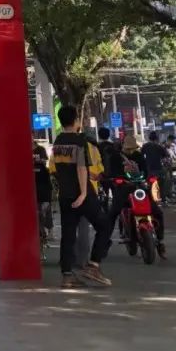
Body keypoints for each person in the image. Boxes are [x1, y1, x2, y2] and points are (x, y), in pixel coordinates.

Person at [50, 106, 112, 289]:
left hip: (65, 195)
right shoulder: (79, 141)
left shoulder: (57, 142)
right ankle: (93, 266)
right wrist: (84, 193)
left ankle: (67, 276)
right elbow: (81, 168)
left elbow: (56, 170)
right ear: (75, 120)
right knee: (104, 225)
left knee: (68, 235)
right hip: (82, 194)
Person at [108, 135, 166, 258]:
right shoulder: (115, 157)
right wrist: (117, 179)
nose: (130, 151)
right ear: (123, 146)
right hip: (123, 189)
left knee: (157, 212)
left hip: (140, 189)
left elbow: (146, 170)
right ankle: (105, 241)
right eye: (128, 148)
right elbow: (111, 172)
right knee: (113, 213)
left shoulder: (139, 156)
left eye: (132, 148)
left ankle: (160, 241)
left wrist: (148, 178)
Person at [33, 141, 53, 242]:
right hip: (33, 186)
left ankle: (49, 231)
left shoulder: (41, 149)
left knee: (45, 209)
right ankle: (40, 232)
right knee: (37, 211)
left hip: (44, 186)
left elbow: (45, 161)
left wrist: (39, 160)